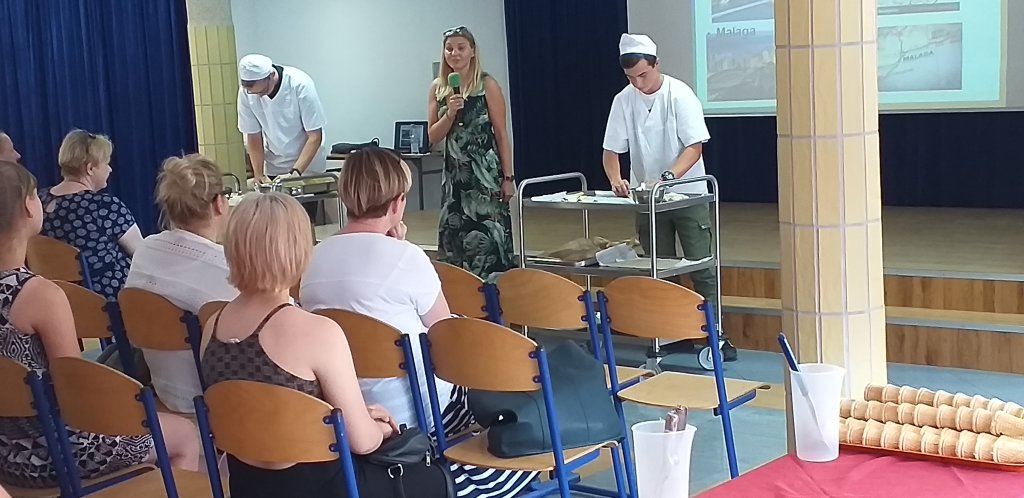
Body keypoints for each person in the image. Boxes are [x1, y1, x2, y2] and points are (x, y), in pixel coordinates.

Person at [301, 147, 536, 498]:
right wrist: (401, 248)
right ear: (398, 203)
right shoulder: (407, 258)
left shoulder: (312, 261)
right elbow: (449, 341)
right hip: (421, 413)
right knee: (506, 386)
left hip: (350, 413)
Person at [201, 192, 450, 498]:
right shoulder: (319, 332)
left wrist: (343, 420)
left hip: (246, 486)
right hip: (324, 488)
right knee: (435, 479)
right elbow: (363, 443)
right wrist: (382, 427)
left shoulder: (211, 327)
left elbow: (260, 412)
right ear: (298, 250)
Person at [0, 162, 200, 489]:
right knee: (184, 435)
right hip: (55, 454)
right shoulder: (40, 295)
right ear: (27, 206)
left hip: (4, 456)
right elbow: (77, 392)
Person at [602, 34, 736, 361]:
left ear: (656, 65)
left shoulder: (680, 94)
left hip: (687, 194)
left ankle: (715, 334)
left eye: (643, 75)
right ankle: (672, 331)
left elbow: (694, 148)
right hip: (648, 200)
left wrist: (666, 179)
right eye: (631, 78)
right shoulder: (623, 100)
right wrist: (616, 179)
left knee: (700, 265)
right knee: (658, 267)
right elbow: (610, 150)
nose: (638, 83)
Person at [125, 154, 238, 413]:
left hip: (162, 392)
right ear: (219, 204)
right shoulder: (228, 270)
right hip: (218, 403)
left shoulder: (145, 250)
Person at [427, 26, 516, 280]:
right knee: (454, 246)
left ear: (473, 51)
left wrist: (508, 178)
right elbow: (432, 137)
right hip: (455, 180)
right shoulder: (438, 88)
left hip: (485, 178)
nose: (454, 53)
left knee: (488, 244)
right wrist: (450, 113)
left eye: (461, 48)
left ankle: (495, 298)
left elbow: (501, 133)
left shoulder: (487, 85)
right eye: (449, 49)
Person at [38, 130, 142, 301]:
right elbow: (141, 254)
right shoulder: (104, 206)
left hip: (56, 299)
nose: (110, 169)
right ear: (90, 168)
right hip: (106, 303)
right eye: (106, 163)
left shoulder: (38, 201)